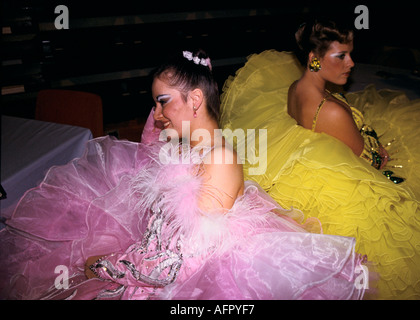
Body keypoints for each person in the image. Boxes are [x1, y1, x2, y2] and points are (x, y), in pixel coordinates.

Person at [0, 49, 368, 300]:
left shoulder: (219, 159)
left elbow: (185, 262)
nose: (156, 114)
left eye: (163, 102)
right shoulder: (187, 147)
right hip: (152, 260)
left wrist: (113, 267)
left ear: (194, 100)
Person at [220, 19, 420, 300]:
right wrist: (380, 152)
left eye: (350, 54)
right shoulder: (331, 112)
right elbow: (371, 161)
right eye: (341, 56)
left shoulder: (297, 88)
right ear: (315, 60)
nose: (351, 63)